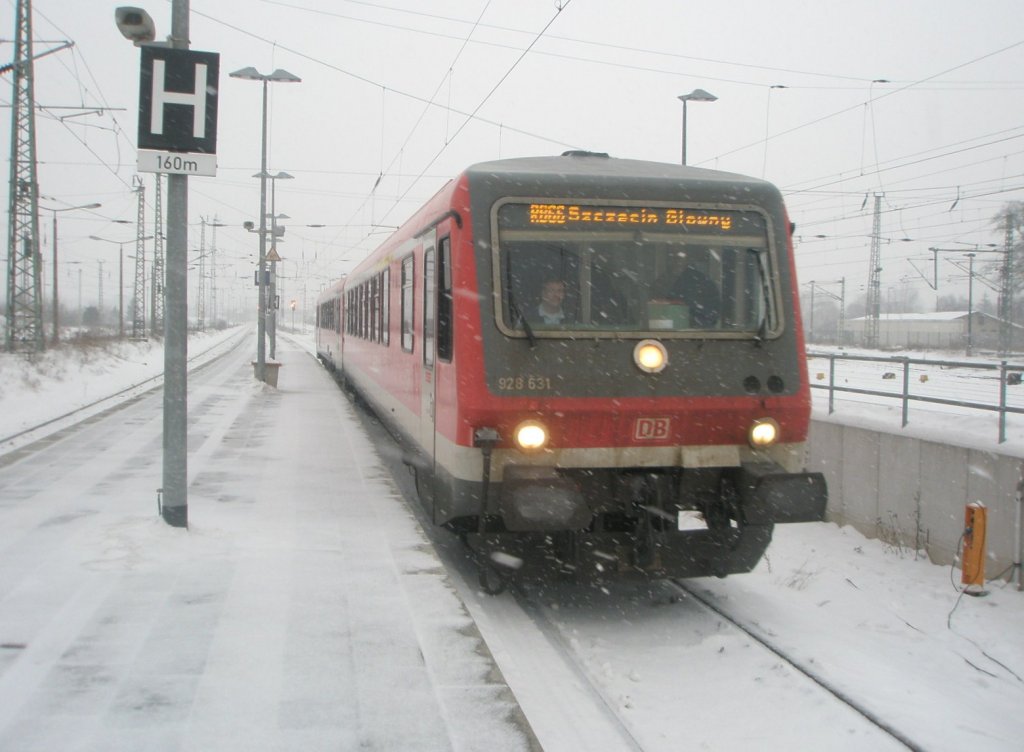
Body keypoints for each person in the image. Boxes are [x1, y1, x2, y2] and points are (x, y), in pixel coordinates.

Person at [669, 254, 720, 327]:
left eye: (678, 260)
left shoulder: (689, 280)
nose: (676, 263)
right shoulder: (682, 279)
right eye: (675, 260)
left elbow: (679, 301)